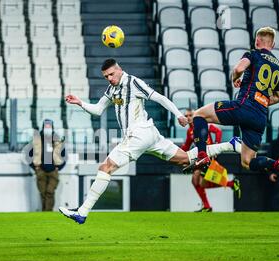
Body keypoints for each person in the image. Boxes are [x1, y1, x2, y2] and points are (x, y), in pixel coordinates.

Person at [58, 58, 242, 224]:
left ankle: (82, 212)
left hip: (139, 134)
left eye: (111, 74)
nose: (109, 78)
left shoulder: (133, 82)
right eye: (106, 76)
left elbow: (159, 98)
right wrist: (81, 103)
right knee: (185, 158)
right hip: (149, 135)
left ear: (119, 70)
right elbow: (98, 110)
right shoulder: (112, 88)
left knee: (105, 168)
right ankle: (231, 145)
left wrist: (178, 114)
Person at [188, 26, 279, 185]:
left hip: (244, 106)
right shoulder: (278, 67)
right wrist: (262, 99)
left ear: (257, 41)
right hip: (260, 117)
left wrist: (234, 79)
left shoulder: (254, 54)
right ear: (272, 45)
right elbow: (278, 97)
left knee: (198, 115)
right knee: (247, 162)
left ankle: (202, 155)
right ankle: (277, 164)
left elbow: (238, 68)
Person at [181, 109, 241, 212]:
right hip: (201, 157)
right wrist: (179, 155)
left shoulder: (202, 124)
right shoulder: (190, 131)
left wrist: (216, 145)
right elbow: (186, 145)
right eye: (186, 116)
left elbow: (218, 131)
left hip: (210, 155)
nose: (188, 117)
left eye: (190, 115)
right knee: (197, 182)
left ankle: (209, 204)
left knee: (198, 181)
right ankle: (209, 204)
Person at [30, 119, 66, 211]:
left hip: (53, 171)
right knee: (42, 192)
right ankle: (45, 212)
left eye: (49, 126)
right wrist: (35, 167)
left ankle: (48, 211)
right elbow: (29, 154)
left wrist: (59, 167)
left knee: (50, 191)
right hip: (41, 170)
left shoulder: (57, 138)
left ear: (52, 126)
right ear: (43, 126)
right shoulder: (37, 138)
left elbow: (64, 155)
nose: (47, 127)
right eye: (46, 126)